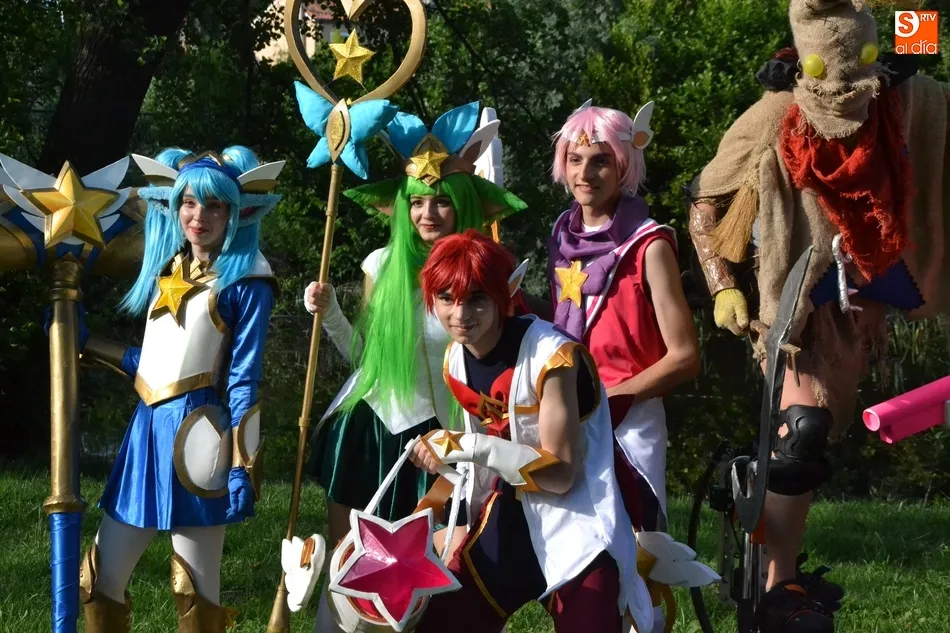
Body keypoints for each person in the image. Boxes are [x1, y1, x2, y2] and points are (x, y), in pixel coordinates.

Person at [687, 1, 950, 631]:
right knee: (800, 433)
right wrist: (723, 287)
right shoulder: (776, 114)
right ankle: (778, 588)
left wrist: (912, 18)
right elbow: (705, 200)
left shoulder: (905, 102)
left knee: (811, 438)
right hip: (796, 300)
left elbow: (925, 38)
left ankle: (770, 542)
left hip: (866, 294)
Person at [302, 102, 527, 629]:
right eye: (417, 202)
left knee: (421, 575)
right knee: (349, 565)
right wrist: (329, 313)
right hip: (368, 429)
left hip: (439, 441)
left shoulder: (484, 276)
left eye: (441, 202)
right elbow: (366, 360)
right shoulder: (380, 265)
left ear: (463, 204)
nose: (427, 214)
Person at [75, 146, 282, 632]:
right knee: (97, 578)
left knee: (194, 589)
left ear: (236, 213)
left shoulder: (248, 281)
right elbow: (156, 367)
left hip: (200, 436)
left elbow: (243, 380)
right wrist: (87, 342)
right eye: (189, 202)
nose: (198, 216)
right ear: (174, 206)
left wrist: (242, 467)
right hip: (146, 433)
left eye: (213, 205)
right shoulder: (170, 269)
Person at [409, 229, 655, 633]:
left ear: (505, 293)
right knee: (443, 623)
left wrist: (469, 446)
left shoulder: (551, 356)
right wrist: (438, 507)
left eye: (476, 298)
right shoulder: (455, 360)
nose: (460, 314)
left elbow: (561, 475)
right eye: (446, 298)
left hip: (578, 519)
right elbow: (477, 467)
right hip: (508, 513)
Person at [547, 100, 701, 532]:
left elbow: (685, 357)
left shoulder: (650, 245)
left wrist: (609, 399)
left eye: (600, 161)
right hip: (566, 414)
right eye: (574, 159)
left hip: (630, 422)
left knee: (639, 548)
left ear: (624, 165)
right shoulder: (560, 236)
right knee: (571, 549)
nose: (585, 173)